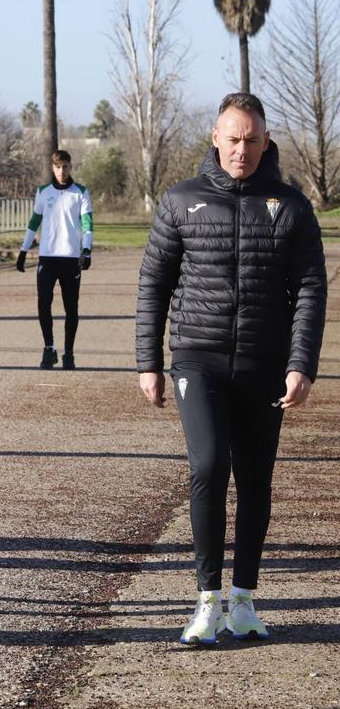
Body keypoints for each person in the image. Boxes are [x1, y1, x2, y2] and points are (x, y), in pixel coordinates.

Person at [135, 92, 326, 646]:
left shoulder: (291, 206)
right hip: (199, 357)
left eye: (252, 140)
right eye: (232, 139)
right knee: (210, 465)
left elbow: (311, 290)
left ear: (266, 143)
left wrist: (301, 365)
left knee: (255, 478)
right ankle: (206, 601)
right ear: (215, 138)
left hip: (266, 364)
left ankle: (243, 601)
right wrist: (148, 362)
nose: (241, 150)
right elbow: (154, 284)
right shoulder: (180, 201)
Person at [16, 150, 93, 370]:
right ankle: (49, 348)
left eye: (66, 167)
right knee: (43, 304)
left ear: (70, 167)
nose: (62, 171)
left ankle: (69, 353)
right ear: (52, 167)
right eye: (58, 167)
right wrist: (23, 251)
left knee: (71, 307)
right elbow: (34, 222)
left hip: (71, 259)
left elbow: (88, 224)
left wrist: (86, 250)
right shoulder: (43, 192)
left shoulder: (80, 193)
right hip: (47, 258)